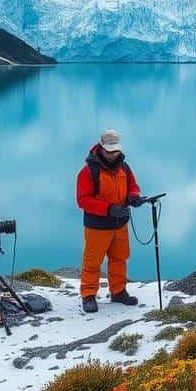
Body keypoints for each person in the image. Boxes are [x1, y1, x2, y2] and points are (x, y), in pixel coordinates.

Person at [76, 129, 145, 313]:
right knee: (92, 262)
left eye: (116, 150)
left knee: (119, 259)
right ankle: (89, 295)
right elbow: (83, 200)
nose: (114, 154)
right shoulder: (88, 171)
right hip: (97, 226)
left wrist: (133, 197)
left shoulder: (124, 167)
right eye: (110, 151)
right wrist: (108, 209)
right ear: (101, 147)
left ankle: (118, 291)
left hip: (120, 224)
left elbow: (133, 186)